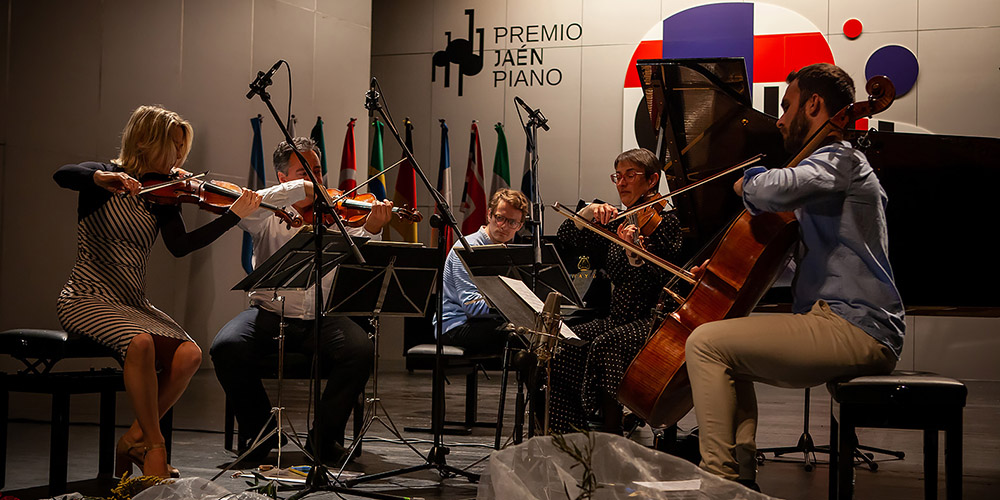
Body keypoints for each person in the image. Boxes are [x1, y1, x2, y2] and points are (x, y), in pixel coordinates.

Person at [684, 63, 904, 491]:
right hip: (837, 321)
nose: (781, 119)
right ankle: (742, 476)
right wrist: (722, 272)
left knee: (706, 343)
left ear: (815, 104)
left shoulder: (841, 158)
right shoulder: (833, 172)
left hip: (854, 327)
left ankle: (718, 482)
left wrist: (745, 183)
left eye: (787, 106)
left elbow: (774, 189)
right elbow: (794, 267)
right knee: (729, 349)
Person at [54, 105, 262, 478]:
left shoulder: (161, 195)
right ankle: (154, 446)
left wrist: (233, 216)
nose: (181, 157)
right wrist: (102, 177)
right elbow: (64, 174)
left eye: (183, 148)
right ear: (147, 141)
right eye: (174, 146)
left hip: (132, 301)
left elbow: (180, 246)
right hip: (86, 296)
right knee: (142, 344)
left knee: (188, 355)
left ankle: (133, 439)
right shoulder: (101, 179)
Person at [210, 137, 393, 466]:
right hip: (268, 313)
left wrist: (374, 227)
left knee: (360, 349)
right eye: (304, 171)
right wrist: (297, 191)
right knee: (225, 346)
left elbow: (362, 244)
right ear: (283, 178)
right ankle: (263, 431)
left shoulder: (336, 212)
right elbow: (241, 204)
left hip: (323, 317)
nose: (316, 179)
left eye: (318, 171)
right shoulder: (264, 212)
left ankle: (323, 438)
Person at [548, 148, 684, 435]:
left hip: (655, 321)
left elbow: (665, 279)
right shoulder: (618, 222)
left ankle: (613, 434)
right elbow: (566, 240)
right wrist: (584, 214)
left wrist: (635, 255)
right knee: (560, 344)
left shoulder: (668, 223)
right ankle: (570, 436)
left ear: (651, 180)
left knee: (607, 345)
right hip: (618, 318)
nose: (622, 182)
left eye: (630, 175)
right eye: (618, 176)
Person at [434, 188, 531, 355]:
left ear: (520, 226)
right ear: (489, 215)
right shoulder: (466, 248)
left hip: (483, 322)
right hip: (454, 326)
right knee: (521, 337)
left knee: (541, 335)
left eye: (512, 222)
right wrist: (516, 310)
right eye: (500, 218)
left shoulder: (507, 251)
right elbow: (472, 306)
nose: (504, 226)